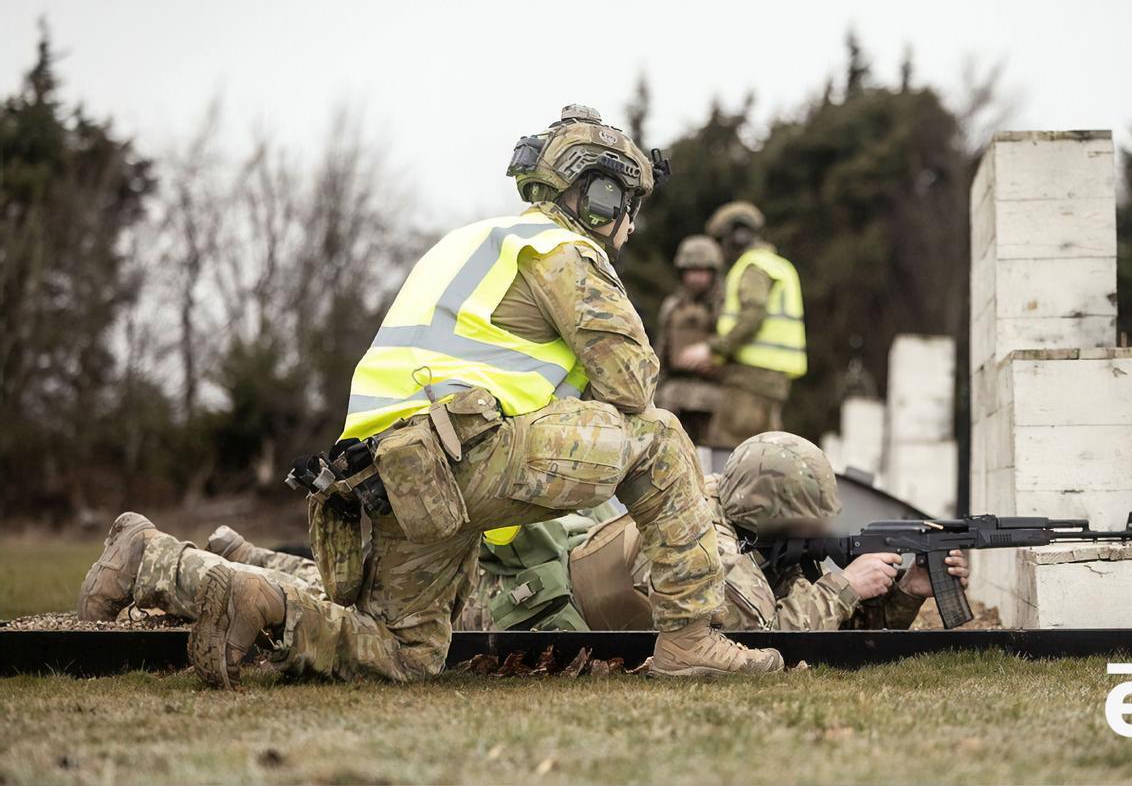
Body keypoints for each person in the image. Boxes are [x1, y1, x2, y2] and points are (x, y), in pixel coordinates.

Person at [77, 104, 783, 685]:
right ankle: (691, 641)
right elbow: (631, 384)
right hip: (465, 460)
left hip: (384, 478)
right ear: (602, 199)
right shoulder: (560, 249)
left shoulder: (470, 242)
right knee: (657, 438)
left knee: (403, 652)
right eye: (627, 207)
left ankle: (169, 565)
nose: (629, 225)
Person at [569, 431, 970, 631]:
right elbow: (768, 638)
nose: (819, 528)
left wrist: (906, 592)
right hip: (568, 616)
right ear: (771, 513)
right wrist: (845, 584)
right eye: (806, 518)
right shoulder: (707, 543)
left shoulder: (755, 529)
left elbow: (831, 626)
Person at [678, 201, 807, 448]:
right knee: (763, 453)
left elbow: (753, 315)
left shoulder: (754, 268)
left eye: (721, 239)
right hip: (771, 380)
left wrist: (714, 349)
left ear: (737, 236)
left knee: (728, 451)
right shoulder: (778, 265)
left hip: (750, 381)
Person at [653, 234, 725, 444]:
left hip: (715, 392)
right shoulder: (673, 306)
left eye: (701, 271)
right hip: (675, 392)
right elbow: (662, 351)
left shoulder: (725, 305)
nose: (695, 277)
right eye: (691, 271)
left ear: (712, 273)